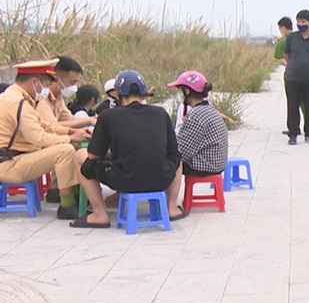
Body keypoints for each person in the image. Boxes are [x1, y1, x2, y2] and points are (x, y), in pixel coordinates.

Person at [71, 70, 184, 228]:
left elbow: (93, 155)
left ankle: (99, 214)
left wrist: (111, 154)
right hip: (161, 178)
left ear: (117, 94)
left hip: (125, 180)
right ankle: (171, 207)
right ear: (143, 93)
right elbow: (173, 151)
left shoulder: (108, 116)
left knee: (80, 157)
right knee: (178, 158)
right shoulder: (160, 113)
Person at [0, 61, 88, 220]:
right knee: (65, 150)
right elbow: (38, 137)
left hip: (15, 158)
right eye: (45, 85)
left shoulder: (17, 97)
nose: (45, 91)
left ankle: (74, 199)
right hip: (9, 163)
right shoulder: (17, 103)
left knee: (68, 145)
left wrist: (71, 132)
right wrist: (68, 138)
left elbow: (45, 126)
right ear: (34, 82)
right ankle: (67, 204)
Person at [167, 70, 229, 179]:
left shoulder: (197, 114)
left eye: (179, 90)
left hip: (205, 165)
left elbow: (182, 151)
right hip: (217, 163)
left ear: (186, 91)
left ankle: (169, 196)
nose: (178, 93)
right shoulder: (208, 108)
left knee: (169, 163)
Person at [282, 9, 309, 145]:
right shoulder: (291, 38)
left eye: (303, 22)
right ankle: (293, 134)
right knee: (292, 106)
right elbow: (286, 55)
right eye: (299, 22)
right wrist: (294, 65)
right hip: (292, 78)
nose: (301, 24)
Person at [35, 56, 97, 134]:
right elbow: (50, 127)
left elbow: (70, 121)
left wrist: (93, 119)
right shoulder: (41, 98)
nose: (74, 87)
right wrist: (89, 121)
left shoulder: (58, 99)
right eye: (72, 82)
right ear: (56, 79)